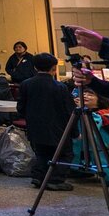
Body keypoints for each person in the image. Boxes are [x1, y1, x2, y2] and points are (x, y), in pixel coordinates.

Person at [18, 52, 75, 191]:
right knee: (64, 153)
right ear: (54, 68)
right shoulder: (60, 87)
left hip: (34, 125)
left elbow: (21, 107)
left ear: (35, 67)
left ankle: (38, 177)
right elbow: (68, 111)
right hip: (57, 127)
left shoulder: (26, 84)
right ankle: (56, 180)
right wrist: (74, 131)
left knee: (41, 152)